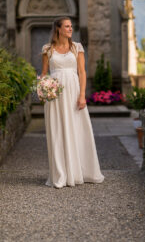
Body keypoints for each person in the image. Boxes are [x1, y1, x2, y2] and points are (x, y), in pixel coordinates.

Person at [41, 16, 105, 188]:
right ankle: (60, 174)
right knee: (57, 131)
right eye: (67, 26)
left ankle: (80, 171)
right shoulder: (47, 49)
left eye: (71, 26)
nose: (70, 29)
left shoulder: (77, 47)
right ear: (58, 29)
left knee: (77, 129)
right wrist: (43, 89)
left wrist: (82, 95)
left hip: (73, 91)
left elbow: (82, 72)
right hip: (55, 96)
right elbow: (45, 74)